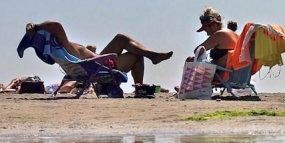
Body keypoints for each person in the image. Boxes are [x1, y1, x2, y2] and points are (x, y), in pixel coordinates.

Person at [24, 21, 173, 88]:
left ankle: (152, 56)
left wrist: (33, 29)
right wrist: (36, 26)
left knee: (120, 38)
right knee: (137, 55)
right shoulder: (65, 46)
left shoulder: (59, 52)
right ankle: (140, 85)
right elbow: (57, 25)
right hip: (100, 65)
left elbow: (54, 27)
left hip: (93, 63)